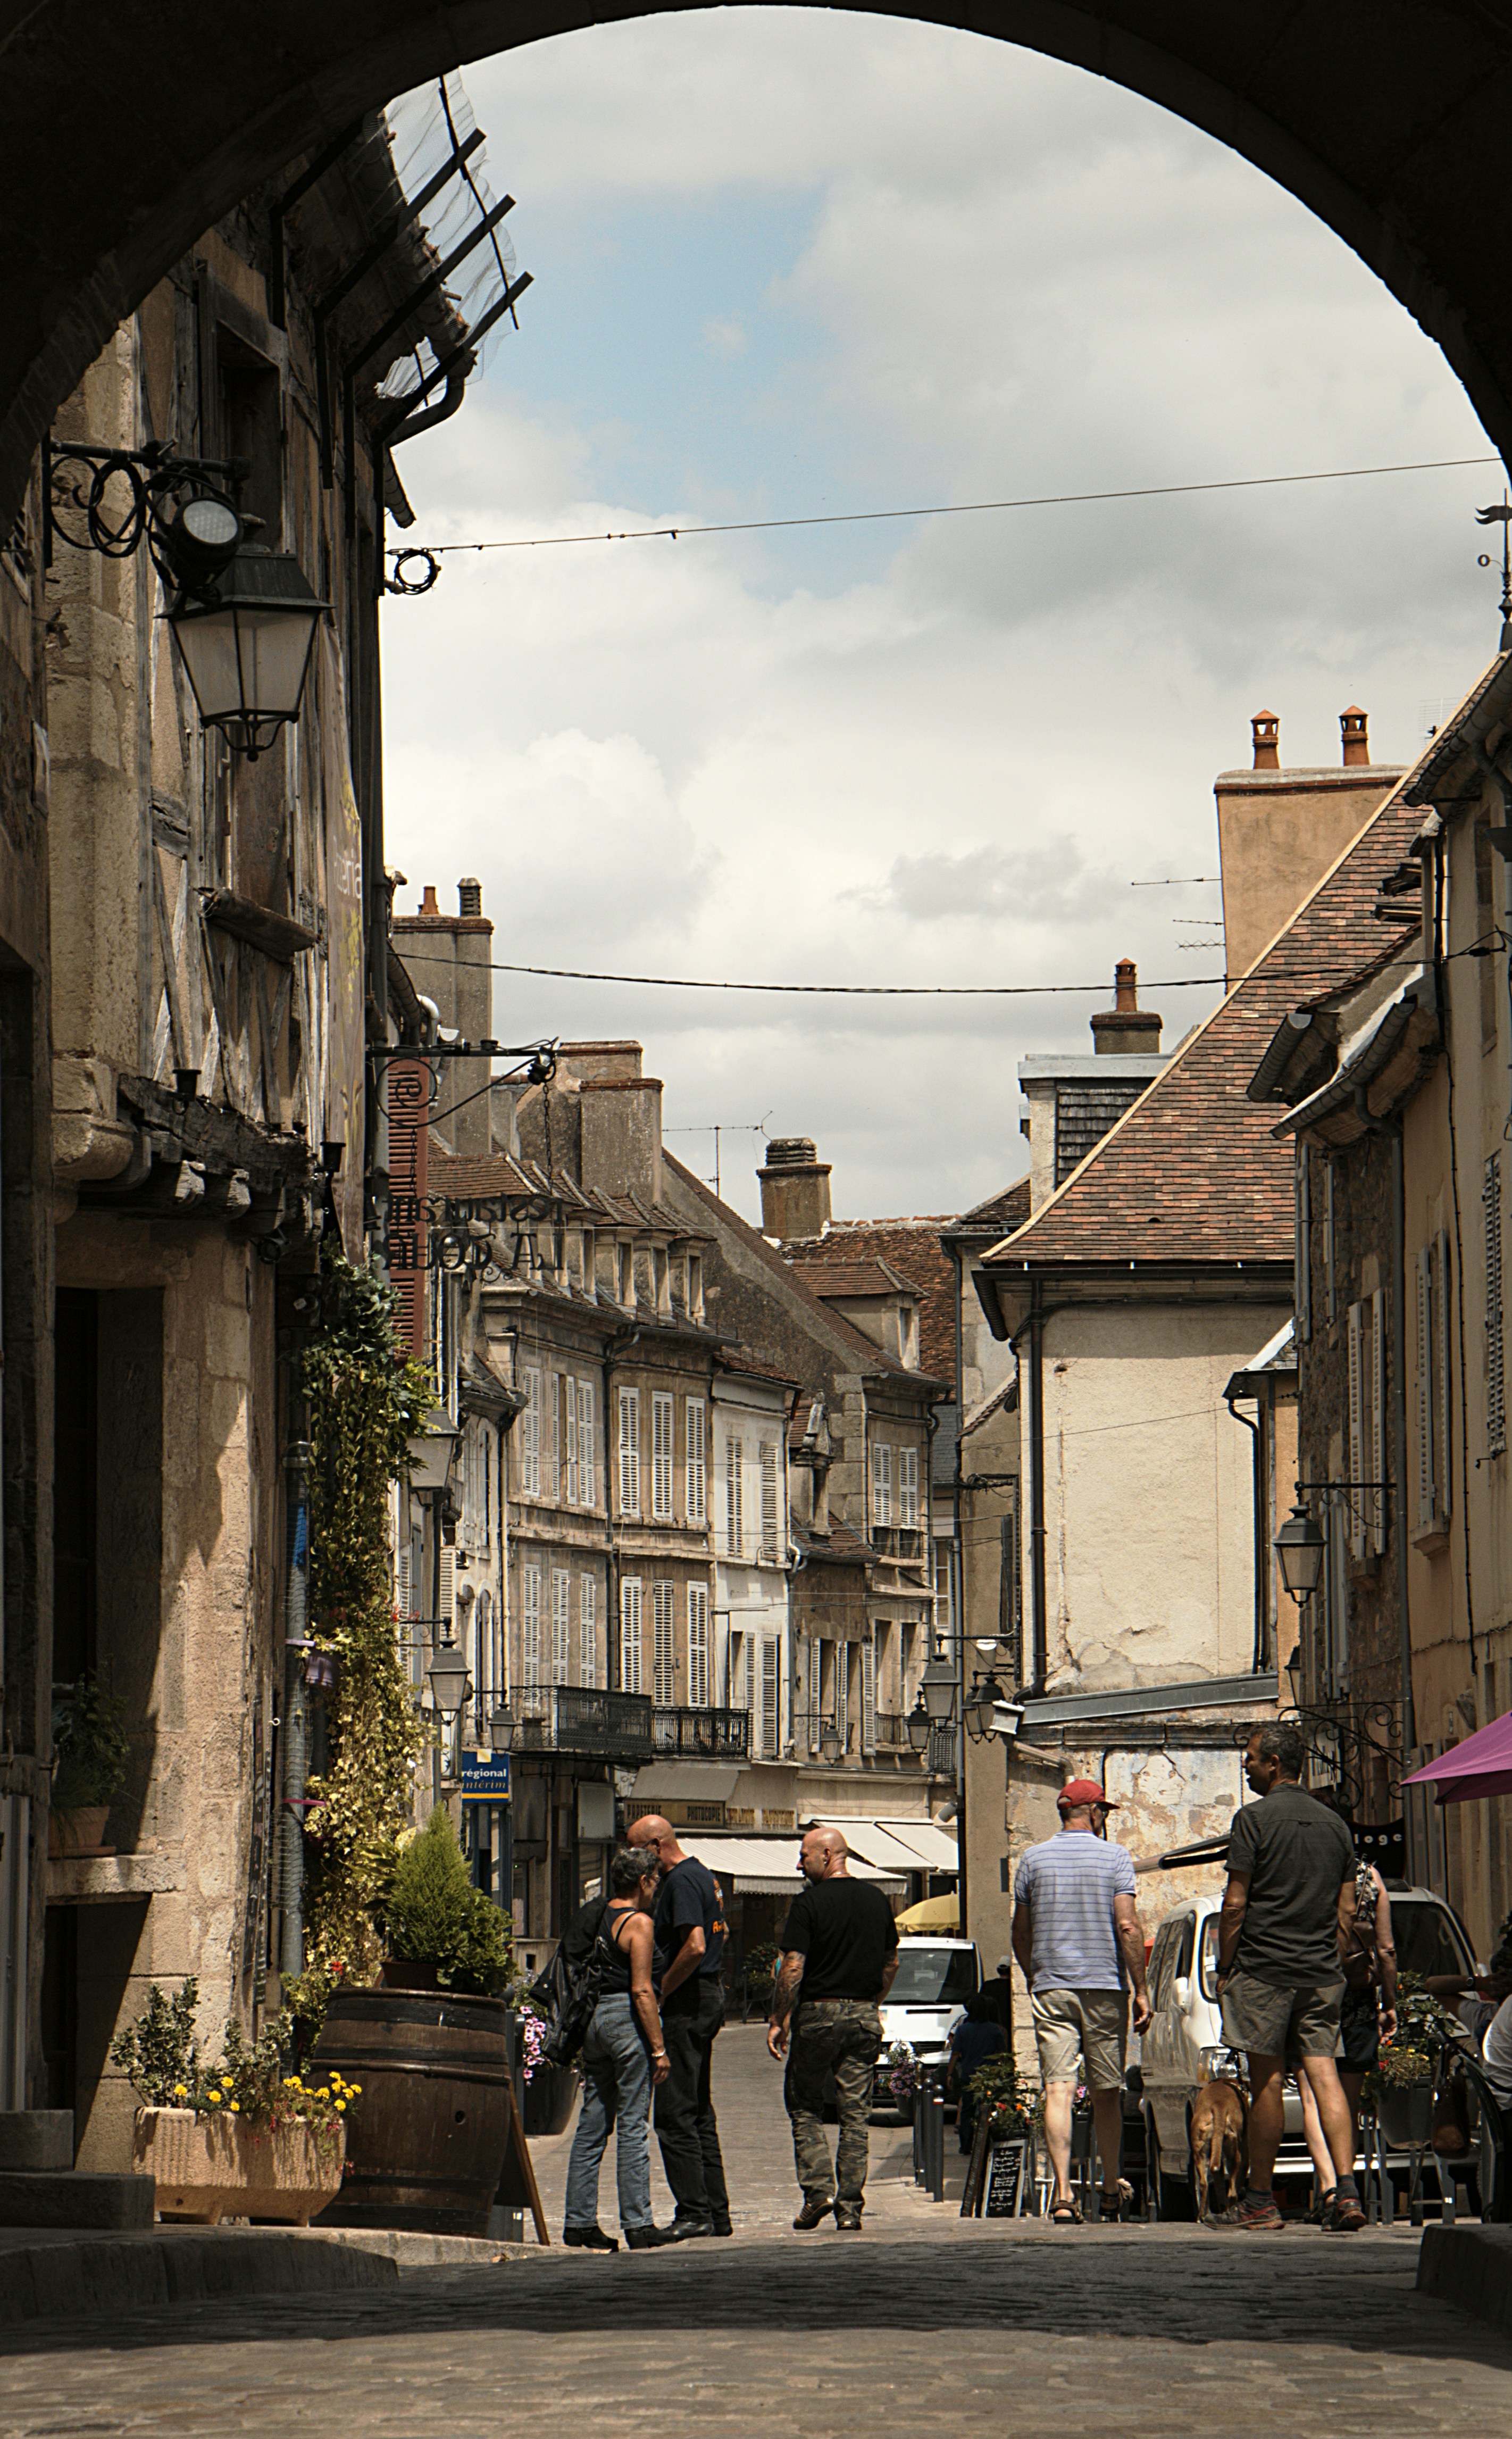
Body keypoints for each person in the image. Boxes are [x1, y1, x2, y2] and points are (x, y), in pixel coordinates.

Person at [1216, 1722, 1361, 2232]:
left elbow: (1235, 1904)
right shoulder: (1336, 1825)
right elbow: (1347, 1911)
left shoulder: (1252, 1820)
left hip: (1264, 1967)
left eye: (1251, 1758)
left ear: (1274, 1763)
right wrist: (1329, 1957)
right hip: (1321, 1971)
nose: (1246, 1765)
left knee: (1268, 2082)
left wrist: (1224, 1964)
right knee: (1325, 2073)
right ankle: (1345, 2191)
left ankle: (1260, 2199)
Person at [1011, 1776, 1151, 2226]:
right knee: (1107, 2093)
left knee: (1057, 2088)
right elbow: (1127, 1926)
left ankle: (1064, 2195)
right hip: (1104, 1987)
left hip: (1052, 1985)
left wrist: (1036, 1974)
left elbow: (1020, 1930)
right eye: (1103, 1812)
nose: (1104, 1818)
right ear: (1092, 1813)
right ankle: (1110, 2191)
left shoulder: (1031, 1858)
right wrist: (1141, 1988)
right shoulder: (1114, 1857)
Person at [766, 1825, 899, 2230]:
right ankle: (850, 2209)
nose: (799, 1863)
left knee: (805, 2104)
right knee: (855, 2115)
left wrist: (778, 2019)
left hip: (818, 2014)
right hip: (862, 2015)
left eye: (804, 1855)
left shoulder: (808, 1903)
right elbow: (891, 1962)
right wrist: (871, 2002)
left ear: (827, 1854)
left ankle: (818, 2191)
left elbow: (792, 1966)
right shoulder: (877, 1900)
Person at [562, 1845, 674, 2251]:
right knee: (631, 2123)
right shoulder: (638, 1922)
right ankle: (638, 2222)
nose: (656, 1887)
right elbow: (642, 1988)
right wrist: (658, 2049)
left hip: (593, 2021)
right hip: (625, 2021)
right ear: (643, 1881)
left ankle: (578, 2221)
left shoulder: (598, 1914)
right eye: (655, 1880)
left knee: (592, 2123)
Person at [626, 1811, 732, 2240]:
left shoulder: (683, 1881)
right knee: (698, 2110)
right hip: (707, 1995)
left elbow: (694, 1944)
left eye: (637, 1849)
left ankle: (694, 2211)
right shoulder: (702, 1875)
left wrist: (663, 1990)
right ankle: (715, 2212)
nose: (634, 1859)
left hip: (690, 2000)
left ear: (655, 1846)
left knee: (673, 2114)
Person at [1295, 1794, 1398, 2222]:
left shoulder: (1300, 1871)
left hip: (1309, 1987)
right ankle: (1347, 2188)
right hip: (1356, 1995)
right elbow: (1386, 1947)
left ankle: (1327, 2186)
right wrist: (1389, 2002)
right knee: (1347, 2098)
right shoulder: (1367, 1875)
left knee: (1310, 2092)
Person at [946, 1990, 1009, 2153]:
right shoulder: (995, 2030)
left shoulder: (963, 2030)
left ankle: (966, 2145)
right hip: (990, 2076)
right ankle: (986, 2143)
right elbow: (1003, 2054)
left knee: (967, 2111)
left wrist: (949, 2073)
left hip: (968, 2074)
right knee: (988, 2109)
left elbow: (956, 2054)